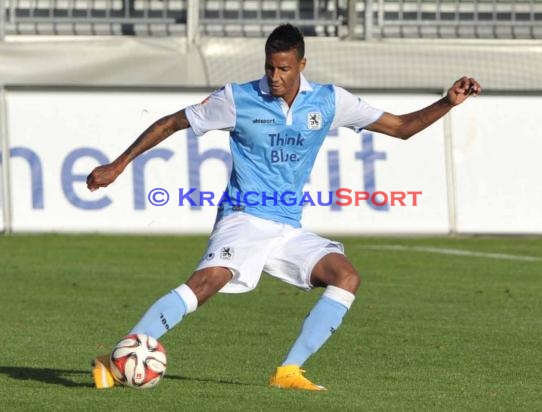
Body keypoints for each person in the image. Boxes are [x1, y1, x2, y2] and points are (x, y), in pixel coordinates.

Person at [87, 23, 480, 391]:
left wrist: (448, 102)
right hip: (243, 217)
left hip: (287, 227)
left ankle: (288, 371)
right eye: (269, 67)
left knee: (346, 277)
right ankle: (114, 359)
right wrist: (119, 164)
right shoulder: (236, 99)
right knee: (206, 284)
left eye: (284, 69)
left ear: (302, 65)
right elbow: (169, 123)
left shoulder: (328, 101)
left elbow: (401, 128)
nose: (275, 77)